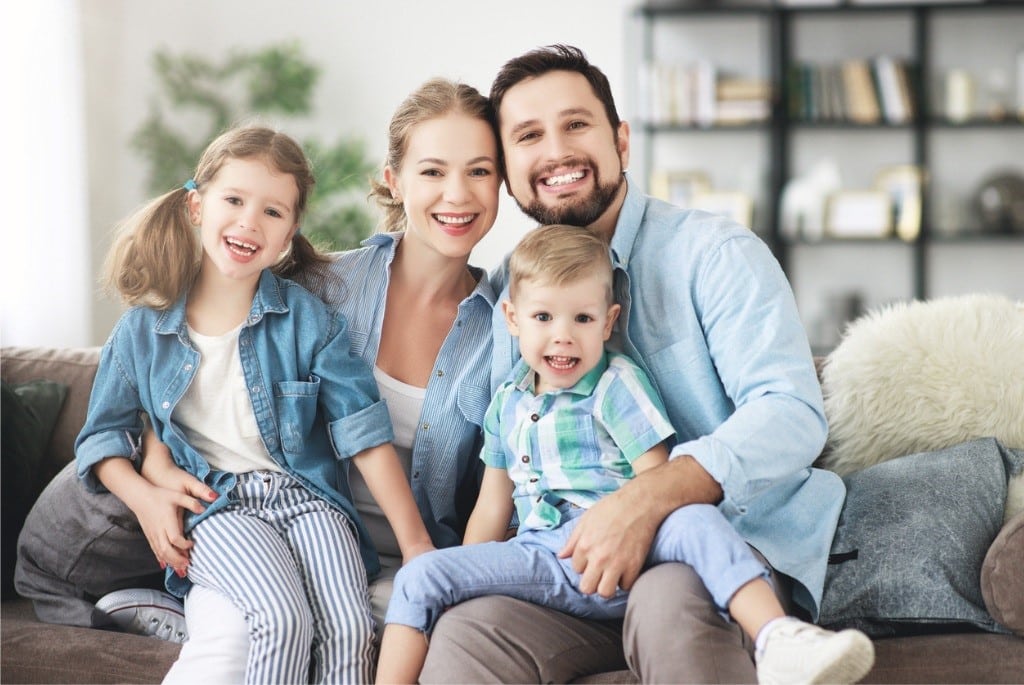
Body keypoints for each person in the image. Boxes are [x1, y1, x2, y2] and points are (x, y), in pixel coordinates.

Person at [418, 44, 851, 684]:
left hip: (719, 551)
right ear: (509, 173)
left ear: (621, 139)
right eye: (529, 136)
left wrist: (648, 500)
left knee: (671, 597)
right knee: (467, 634)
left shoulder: (714, 253)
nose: (557, 151)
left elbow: (790, 413)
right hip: (570, 565)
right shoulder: (514, 289)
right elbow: (512, 448)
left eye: (577, 124)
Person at [376, 224, 874, 685]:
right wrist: (467, 573)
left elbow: (654, 484)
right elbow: (491, 505)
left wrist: (632, 532)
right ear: (512, 318)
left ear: (609, 321)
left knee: (694, 519)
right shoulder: (508, 400)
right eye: (544, 317)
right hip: (546, 558)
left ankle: (779, 638)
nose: (563, 335)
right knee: (421, 575)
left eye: (583, 318)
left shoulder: (615, 386)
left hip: (629, 547)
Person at [129, 78, 502, 683]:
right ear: (393, 179)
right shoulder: (317, 289)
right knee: (234, 645)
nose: (456, 194)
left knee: (368, 640)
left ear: (501, 183)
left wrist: (439, 567)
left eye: (480, 171)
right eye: (432, 171)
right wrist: (152, 471)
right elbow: (175, 371)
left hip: (397, 564)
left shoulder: (507, 329)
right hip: (264, 533)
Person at [74, 124, 436, 684]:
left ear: (290, 232)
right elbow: (101, 439)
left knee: (348, 624)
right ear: (197, 206)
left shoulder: (306, 318)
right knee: (281, 618)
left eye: (272, 211)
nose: (249, 221)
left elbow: (362, 429)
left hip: (310, 499)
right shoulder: (141, 333)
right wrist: (145, 497)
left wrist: (416, 544)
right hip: (218, 507)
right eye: (234, 200)